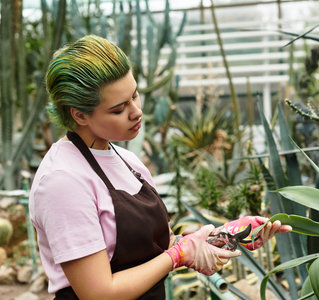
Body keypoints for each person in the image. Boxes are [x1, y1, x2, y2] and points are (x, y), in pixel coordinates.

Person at [28, 35, 292, 300]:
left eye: (134, 95)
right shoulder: (63, 181)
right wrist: (179, 255)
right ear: (79, 115)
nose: (136, 111)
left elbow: (161, 247)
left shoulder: (128, 162)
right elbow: (99, 293)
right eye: (119, 108)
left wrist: (226, 236)